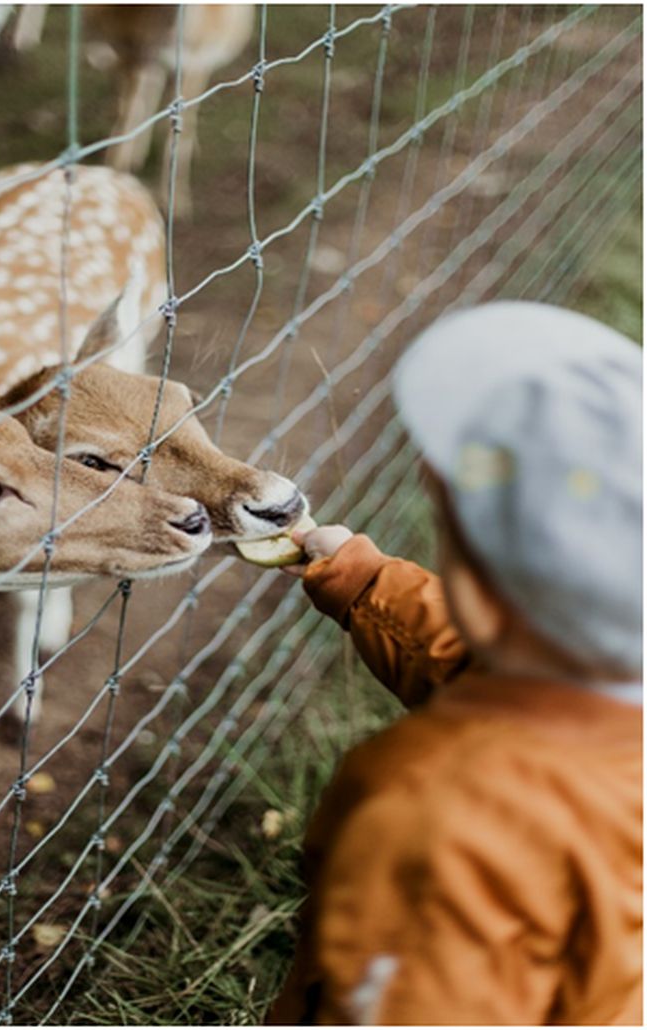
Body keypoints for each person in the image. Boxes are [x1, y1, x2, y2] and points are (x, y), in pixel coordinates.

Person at [269, 301, 642, 1025]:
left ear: (480, 584)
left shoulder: (445, 815)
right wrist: (364, 582)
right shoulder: (608, 698)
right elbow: (485, 666)